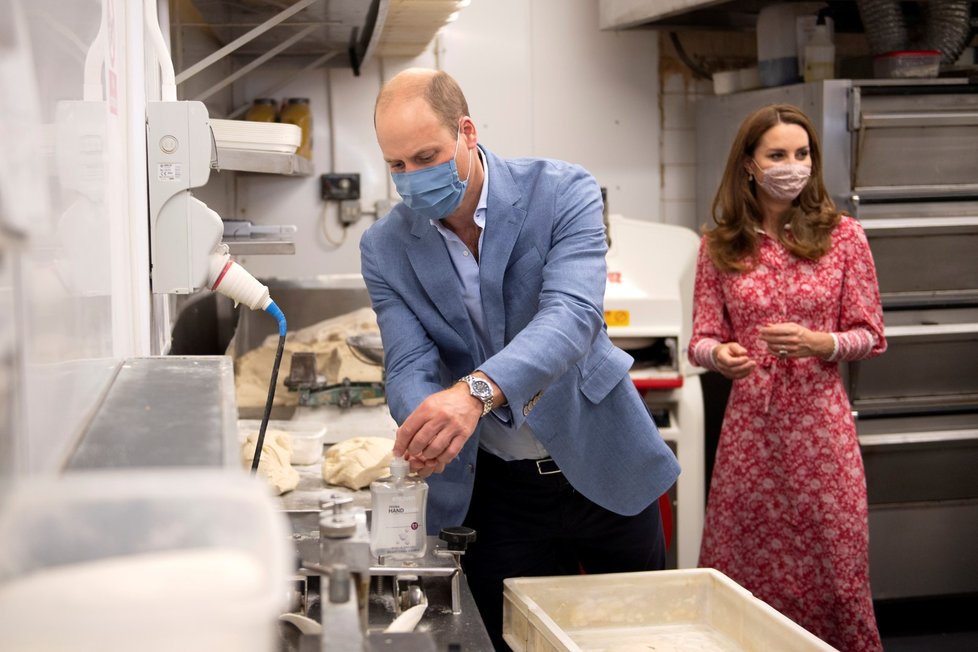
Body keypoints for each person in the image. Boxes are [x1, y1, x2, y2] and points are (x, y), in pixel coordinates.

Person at [360, 68, 680, 650]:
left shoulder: (560, 192)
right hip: (497, 494)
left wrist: (473, 394)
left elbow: (572, 318)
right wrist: (429, 422)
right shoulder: (384, 246)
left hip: (603, 462)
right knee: (515, 641)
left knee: (639, 635)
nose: (411, 179)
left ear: (467, 131)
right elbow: (408, 362)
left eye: (426, 156)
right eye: (396, 166)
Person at [688, 103, 885, 651]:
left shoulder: (845, 237)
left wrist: (824, 343)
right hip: (751, 437)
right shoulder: (720, 245)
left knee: (836, 571)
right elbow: (700, 338)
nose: (792, 165)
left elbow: (871, 333)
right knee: (743, 573)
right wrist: (719, 354)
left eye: (802, 154)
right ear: (750, 164)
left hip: (822, 435)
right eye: (777, 154)